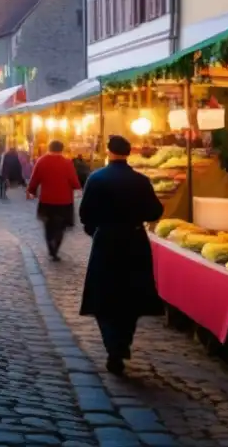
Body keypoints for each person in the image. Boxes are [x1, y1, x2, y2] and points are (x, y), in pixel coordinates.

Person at [79, 135, 164, 375]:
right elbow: (155, 211)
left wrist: (95, 231)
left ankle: (113, 346)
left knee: (103, 295)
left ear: (108, 151)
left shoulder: (96, 178)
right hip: (134, 241)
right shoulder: (141, 180)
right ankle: (122, 343)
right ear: (128, 152)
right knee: (131, 297)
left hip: (106, 240)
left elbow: (85, 213)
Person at [27, 140, 81, 261]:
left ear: (49, 148)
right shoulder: (67, 163)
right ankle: (56, 247)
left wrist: (31, 191)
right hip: (64, 201)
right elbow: (74, 181)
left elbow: (35, 178)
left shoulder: (41, 161)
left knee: (48, 225)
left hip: (47, 200)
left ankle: (50, 247)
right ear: (62, 149)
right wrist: (77, 187)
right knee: (61, 226)